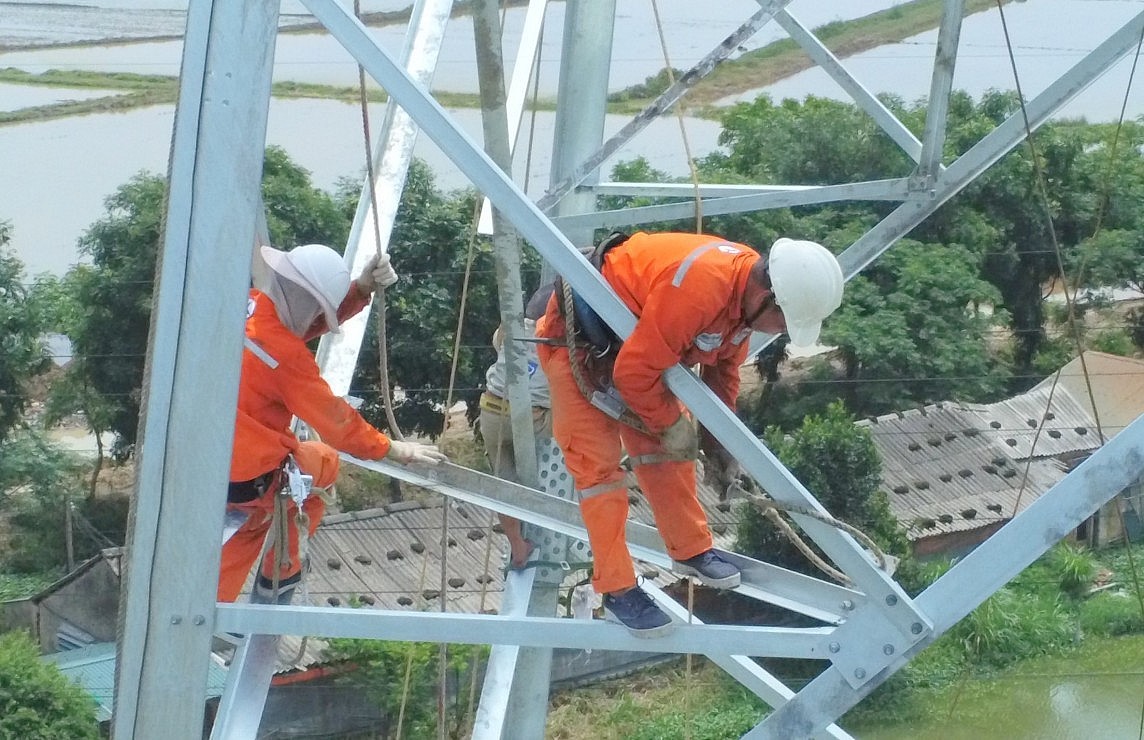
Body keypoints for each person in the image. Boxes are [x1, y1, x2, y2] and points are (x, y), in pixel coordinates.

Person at [535, 231, 844, 636]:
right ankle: (617, 588)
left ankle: (690, 549)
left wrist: (719, 445)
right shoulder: (702, 289)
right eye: (784, 320)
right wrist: (670, 425)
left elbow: (723, 373)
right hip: (578, 343)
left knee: (669, 453)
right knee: (599, 472)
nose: (780, 330)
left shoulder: (743, 296)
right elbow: (634, 375)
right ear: (767, 296)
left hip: (637, 347)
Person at [218, 243, 447, 603]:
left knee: (218, 565)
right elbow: (338, 424)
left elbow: (286, 331)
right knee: (322, 465)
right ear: (310, 303)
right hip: (244, 483)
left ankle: (216, 595)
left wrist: (360, 290)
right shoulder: (288, 358)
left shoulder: (247, 307)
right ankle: (280, 576)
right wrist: (393, 449)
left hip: (201, 462)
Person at [479, 285, 554, 569]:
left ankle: (517, 546)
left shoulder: (512, 329)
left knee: (504, 481)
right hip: (532, 418)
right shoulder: (557, 339)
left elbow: (497, 342)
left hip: (491, 410)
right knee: (580, 422)